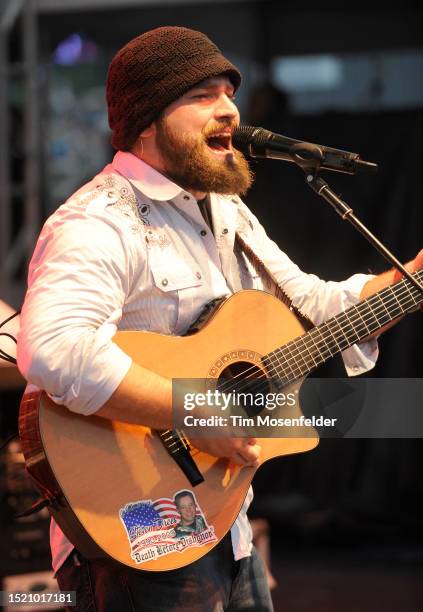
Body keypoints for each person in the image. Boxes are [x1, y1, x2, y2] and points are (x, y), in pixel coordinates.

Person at [16, 26, 422, 612]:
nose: (229, 108)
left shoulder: (226, 210)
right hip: (137, 529)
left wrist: (406, 281)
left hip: (224, 524)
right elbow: (53, 349)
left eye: (229, 92)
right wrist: (198, 414)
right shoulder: (97, 221)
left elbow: (312, 307)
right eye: (202, 95)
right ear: (146, 118)